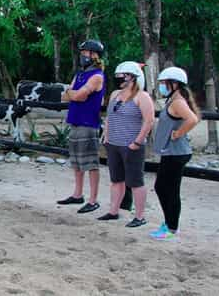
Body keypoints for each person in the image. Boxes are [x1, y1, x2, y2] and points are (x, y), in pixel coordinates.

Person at [97, 62, 154, 227]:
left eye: (124, 75)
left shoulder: (142, 97)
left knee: (135, 181)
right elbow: (110, 117)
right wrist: (106, 136)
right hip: (113, 144)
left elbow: (148, 121)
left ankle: (139, 216)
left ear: (133, 77)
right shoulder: (115, 94)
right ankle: (113, 211)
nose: (120, 79)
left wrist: (137, 142)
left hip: (131, 145)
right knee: (116, 180)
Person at [150, 67, 199, 241]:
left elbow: (192, 119)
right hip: (172, 152)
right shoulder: (174, 99)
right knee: (166, 188)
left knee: (166, 189)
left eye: (164, 83)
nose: (162, 86)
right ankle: (170, 224)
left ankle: (171, 228)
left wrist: (178, 134)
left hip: (176, 153)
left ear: (174, 83)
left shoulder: (177, 102)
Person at [57, 39, 106, 213]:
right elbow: (67, 95)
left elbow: (78, 96)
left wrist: (73, 93)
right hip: (76, 120)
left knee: (90, 163)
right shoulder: (80, 74)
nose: (83, 55)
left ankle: (93, 200)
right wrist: (73, 93)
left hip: (88, 122)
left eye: (86, 52)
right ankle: (78, 194)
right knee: (77, 162)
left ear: (94, 55)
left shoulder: (97, 76)